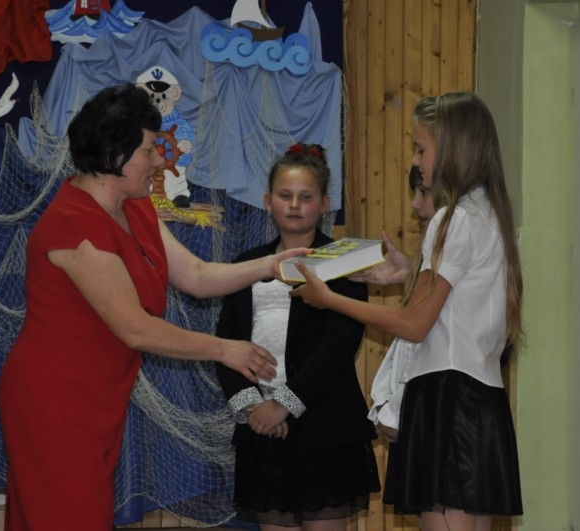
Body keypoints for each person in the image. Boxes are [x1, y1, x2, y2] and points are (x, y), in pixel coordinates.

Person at [0, 84, 308, 531]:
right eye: (148, 150)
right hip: (55, 401)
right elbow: (136, 329)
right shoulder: (73, 226)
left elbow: (196, 275)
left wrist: (269, 265)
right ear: (113, 155)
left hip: (97, 396)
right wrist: (225, 349)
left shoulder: (135, 206)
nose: (160, 161)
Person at [290, 92, 524, 531]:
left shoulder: (453, 218)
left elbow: (416, 325)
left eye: (420, 148)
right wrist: (410, 270)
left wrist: (330, 299)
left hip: (449, 400)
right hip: (482, 399)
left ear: (452, 148)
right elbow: (464, 295)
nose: (416, 161)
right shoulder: (488, 212)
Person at [214, 142, 380, 530]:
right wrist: (254, 409)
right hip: (263, 425)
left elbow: (340, 343)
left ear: (324, 204)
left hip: (325, 424)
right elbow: (227, 342)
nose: (294, 205)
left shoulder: (344, 262)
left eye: (306, 197)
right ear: (268, 201)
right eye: (285, 196)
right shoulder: (247, 264)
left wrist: (284, 404)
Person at [367, 165, 436, 443]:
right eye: (415, 192)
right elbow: (403, 353)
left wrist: (394, 412)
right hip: (409, 415)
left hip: (425, 417)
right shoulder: (428, 263)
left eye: (424, 192)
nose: (415, 204)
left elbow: (427, 350)